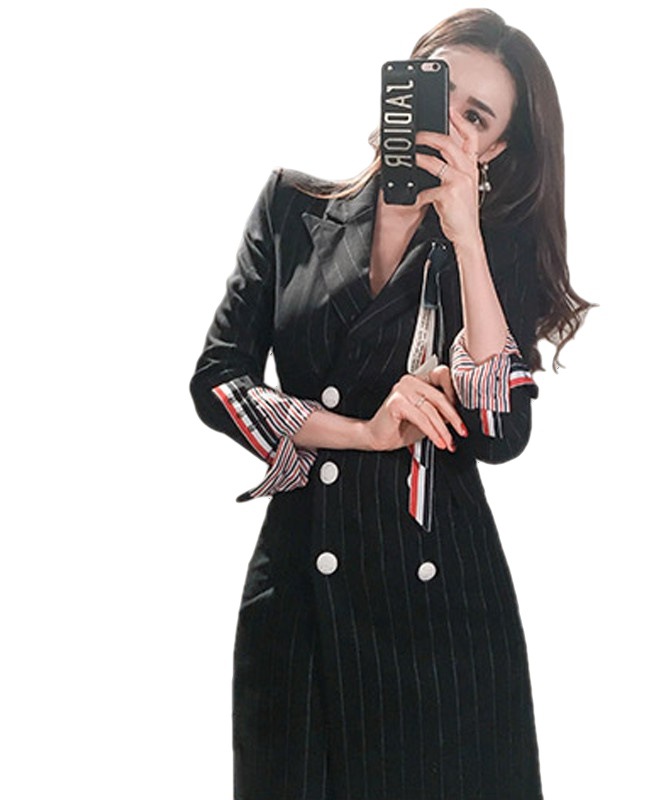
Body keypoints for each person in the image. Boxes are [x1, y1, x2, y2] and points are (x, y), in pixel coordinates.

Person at [190, 8, 591, 799]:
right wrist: (364, 432)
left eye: (477, 117)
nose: (449, 123)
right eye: (440, 91)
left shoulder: (491, 252)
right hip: (298, 592)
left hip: (439, 609)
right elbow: (218, 381)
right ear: (404, 83)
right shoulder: (293, 206)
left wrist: (466, 238)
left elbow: (501, 429)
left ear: (494, 149)